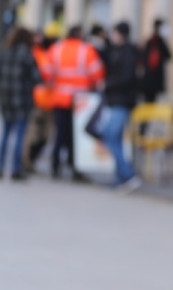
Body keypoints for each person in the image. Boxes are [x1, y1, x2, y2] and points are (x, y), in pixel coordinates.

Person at [45, 25, 104, 181]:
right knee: (74, 136)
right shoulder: (86, 50)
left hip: (59, 97)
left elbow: (47, 73)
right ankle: (74, 168)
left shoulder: (56, 48)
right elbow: (97, 73)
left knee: (59, 133)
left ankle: (55, 166)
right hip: (79, 100)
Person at [101, 21, 141, 192]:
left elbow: (126, 78)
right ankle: (120, 178)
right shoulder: (117, 50)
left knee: (110, 136)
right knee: (114, 138)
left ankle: (128, 175)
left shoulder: (128, 52)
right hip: (116, 99)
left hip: (122, 100)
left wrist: (107, 85)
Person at [0, 27, 41, 181]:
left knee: (5, 134)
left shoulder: (5, 52)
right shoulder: (27, 54)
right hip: (22, 99)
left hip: (5, 98)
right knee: (19, 135)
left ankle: (1, 167)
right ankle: (16, 170)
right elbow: (36, 77)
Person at [140, 18, 171, 103]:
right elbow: (169, 56)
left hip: (148, 78)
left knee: (148, 101)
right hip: (154, 78)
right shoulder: (160, 41)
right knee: (151, 102)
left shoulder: (149, 41)